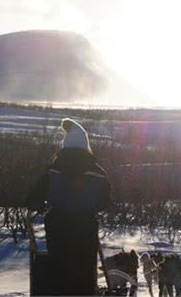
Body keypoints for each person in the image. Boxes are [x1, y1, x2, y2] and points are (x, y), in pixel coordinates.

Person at [27, 118, 111, 295]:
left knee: (60, 269)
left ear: (66, 145)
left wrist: (41, 204)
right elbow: (105, 203)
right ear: (85, 145)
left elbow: (33, 198)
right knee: (85, 271)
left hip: (57, 225)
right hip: (86, 226)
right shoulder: (98, 172)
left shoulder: (52, 169)